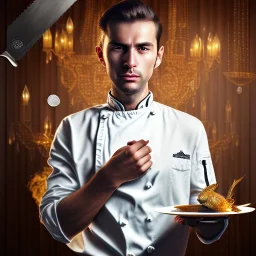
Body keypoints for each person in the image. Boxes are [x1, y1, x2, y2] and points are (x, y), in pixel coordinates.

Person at [40, 0, 228, 255]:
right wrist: (109, 177)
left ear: (158, 56)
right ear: (100, 55)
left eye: (142, 48)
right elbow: (57, 226)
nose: (131, 61)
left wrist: (212, 219)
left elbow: (209, 217)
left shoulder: (189, 128)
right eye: (119, 47)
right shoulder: (72, 128)